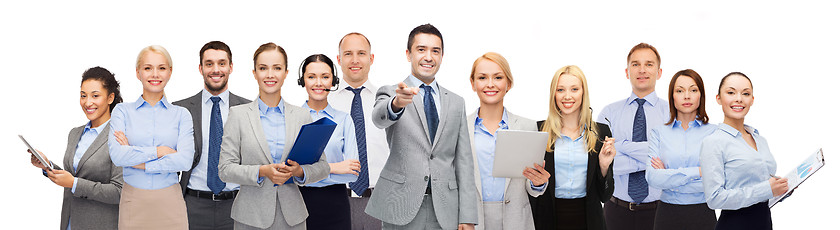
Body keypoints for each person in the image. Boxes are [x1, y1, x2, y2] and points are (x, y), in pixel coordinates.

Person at [365, 23, 478, 230]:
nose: (429, 57)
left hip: (445, 209)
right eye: (421, 49)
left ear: (442, 56)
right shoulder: (392, 92)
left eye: (435, 51)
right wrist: (396, 104)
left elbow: (464, 162)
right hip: (400, 205)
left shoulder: (456, 102)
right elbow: (378, 119)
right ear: (408, 54)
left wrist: (468, 215)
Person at [217, 42, 330, 230]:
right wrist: (262, 171)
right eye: (263, 68)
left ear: (286, 73)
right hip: (250, 218)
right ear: (254, 73)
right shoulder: (238, 115)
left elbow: (323, 167)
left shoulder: (302, 116)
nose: (270, 75)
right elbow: (225, 169)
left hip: (292, 218)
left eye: (277, 68)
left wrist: (299, 172)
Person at [109, 45, 195, 229]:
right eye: (148, 68)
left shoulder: (182, 115)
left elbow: (185, 161)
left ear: (170, 72)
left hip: (170, 202)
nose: (155, 74)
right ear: (138, 73)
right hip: (133, 202)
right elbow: (117, 156)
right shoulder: (122, 111)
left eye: (161, 68)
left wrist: (137, 161)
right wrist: (160, 151)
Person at [28, 66, 124, 230]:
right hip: (70, 222)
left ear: (110, 98)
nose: (88, 102)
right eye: (83, 96)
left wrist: (74, 183)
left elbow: (119, 192)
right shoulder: (75, 133)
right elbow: (74, 175)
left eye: (95, 96)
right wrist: (47, 165)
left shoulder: (120, 136)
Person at [465, 52, 549, 230]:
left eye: (498, 77)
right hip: (473, 221)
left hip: (516, 220)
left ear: (508, 84)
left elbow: (531, 187)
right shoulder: (460, 128)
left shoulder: (528, 126)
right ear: (473, 83)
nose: (490, 84)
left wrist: (538, 182)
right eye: (482, 77)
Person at [173, 41, 251, 230]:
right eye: (209, 64)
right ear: (201, 68)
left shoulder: (248, 109)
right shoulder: (180, 110)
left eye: (222, 63)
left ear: (231, 67)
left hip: (237, 205)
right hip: (193, 205)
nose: (216, 70)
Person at [531, 65, 616, 230]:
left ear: (583, 93)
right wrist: (536, 184)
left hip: (589, 221)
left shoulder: (601, 132)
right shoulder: (538, 130)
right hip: (548, 220)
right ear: (553, 94)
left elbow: (605, 196)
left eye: (574, 89)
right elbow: (531, 189)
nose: (567, 96)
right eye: (560, 90)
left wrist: (604, 166)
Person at [700, 72, 787, 230]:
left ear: (752, 100)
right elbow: (714, 198)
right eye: (731, 92)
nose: (739, 98)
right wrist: (766, 189)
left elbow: (760, 186)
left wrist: (779, 189)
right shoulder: (713, 142)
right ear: (718, 98)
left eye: (745, 93)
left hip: (764, 223)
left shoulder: (760, 139)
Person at [597, 43, 668, 230]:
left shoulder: (672, 114)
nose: (642, 70)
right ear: (627, 72)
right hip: (615, 210)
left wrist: (621, 146)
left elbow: (672, 161)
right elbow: (605, 163)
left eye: (649, 64)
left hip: (661, 211)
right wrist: (652, 157)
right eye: (635, 64)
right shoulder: (608, 113)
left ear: (659, 72)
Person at [328, 32, 389, 230]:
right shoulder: (326, 103)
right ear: (338, 59)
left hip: (380, 203)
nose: (355, 60)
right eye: (348, 54)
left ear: (371, 59)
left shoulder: (387, 103)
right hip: (337, 201)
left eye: (361, 53)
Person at [646, 69, 717, 230]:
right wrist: (699, 171)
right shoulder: (659, 132)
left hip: (703, 213)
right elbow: (652, 177)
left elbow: (718, 180)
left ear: (701, 95)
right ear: (672, 96)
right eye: (680, 90)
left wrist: (669, 178)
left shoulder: (714, 133)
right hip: (667, 215)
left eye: (693, 90)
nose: (686, 96)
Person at [297, 54, 361, 230]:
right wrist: (334, 168)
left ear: (333, 81)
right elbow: (288, 174)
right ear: (302, 81)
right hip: (296, 203)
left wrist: (306, 172)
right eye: (312, 77)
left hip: (336, 203)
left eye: (325, 77)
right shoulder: (291, 118)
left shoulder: (344, 120)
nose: (319, 83)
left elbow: (352, 173)